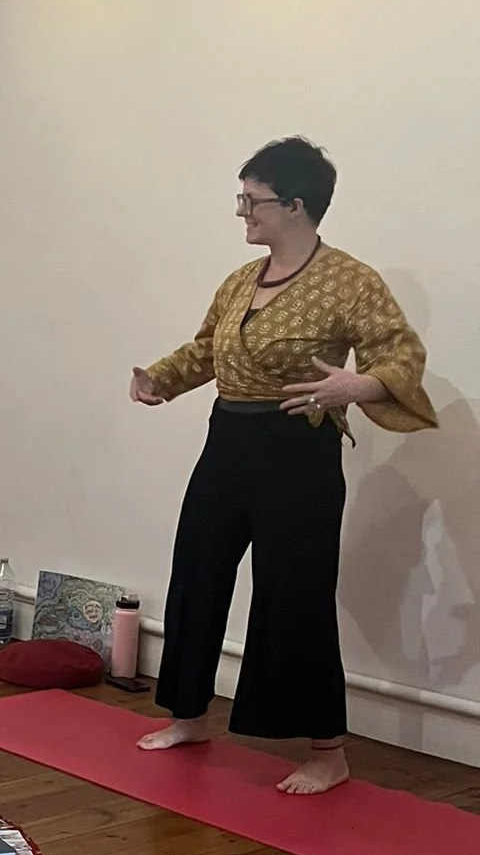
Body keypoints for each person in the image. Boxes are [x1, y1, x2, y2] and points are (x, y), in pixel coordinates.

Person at [130, 137, 437, 795]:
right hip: (228, 442)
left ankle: (327, 751)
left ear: (296, 205)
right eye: (240, 199)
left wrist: (358, 385)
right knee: (198, 572)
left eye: (253, 200)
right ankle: (189, 716)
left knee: (294, 594)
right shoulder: (242, 280)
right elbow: (207, 349)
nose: (242, 211)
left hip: (298, 449)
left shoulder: (350, 281)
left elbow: (401, 355)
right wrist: (160, 378)